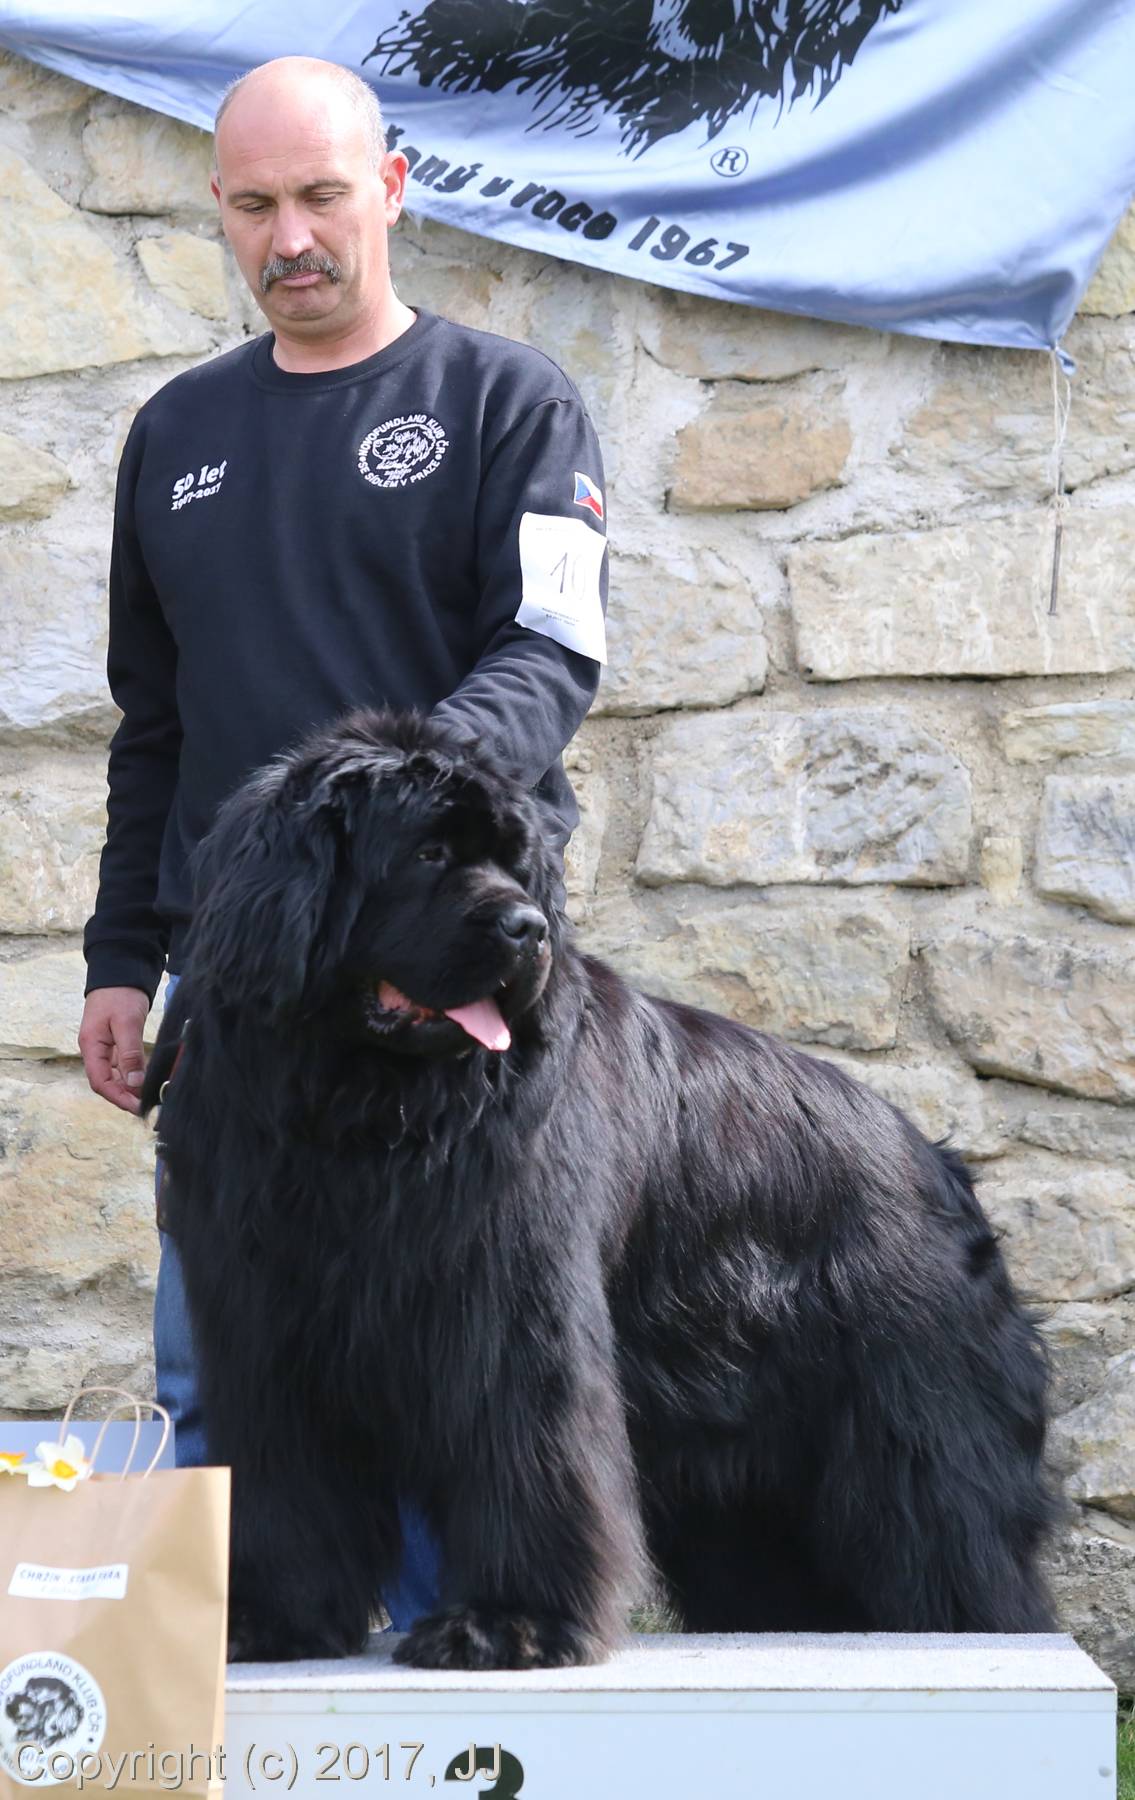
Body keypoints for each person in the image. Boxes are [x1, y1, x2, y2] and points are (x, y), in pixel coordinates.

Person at [77, 55, 609, 1632]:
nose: (289, 237)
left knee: (460, 1372)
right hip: (249, 997)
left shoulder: (509, 403)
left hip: (450, 994)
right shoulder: (176, 431)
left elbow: (550, 655)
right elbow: (154, 728)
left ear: (389, 187)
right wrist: (122, 960)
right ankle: (267, 1689)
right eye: (254, 205)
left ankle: (468, 1695)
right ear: (220, 208)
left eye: (320, 196)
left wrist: (399, 789)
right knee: (224, 1369)